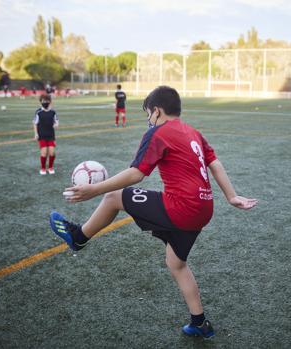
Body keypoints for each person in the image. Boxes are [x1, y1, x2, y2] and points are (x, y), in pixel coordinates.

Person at [50, 86, 258, 338]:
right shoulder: (193, 132)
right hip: (204, 209)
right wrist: (231, 196)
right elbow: (215, 162)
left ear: (157, 111)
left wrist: (94, 189)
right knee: (176, 263)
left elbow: (136, 174)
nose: (148, 119)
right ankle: (200, 323)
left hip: (182, 207)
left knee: (114, 196)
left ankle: (79, 237)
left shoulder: (158, 133)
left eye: (149, 114)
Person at [33, 94, 58, 175]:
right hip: (42, 136)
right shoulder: (38, 112)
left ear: (50, 102)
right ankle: (43, 168)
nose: (45, 102)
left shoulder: (53, 112)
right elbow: (35, 123)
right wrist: (36, 134)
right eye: (43, 101)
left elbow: (56, 121)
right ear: (40, 102)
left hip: (51, 136)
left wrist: (56, 124)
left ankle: (50, 167)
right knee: (44, 153)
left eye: (47, 101)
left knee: (52, 152)